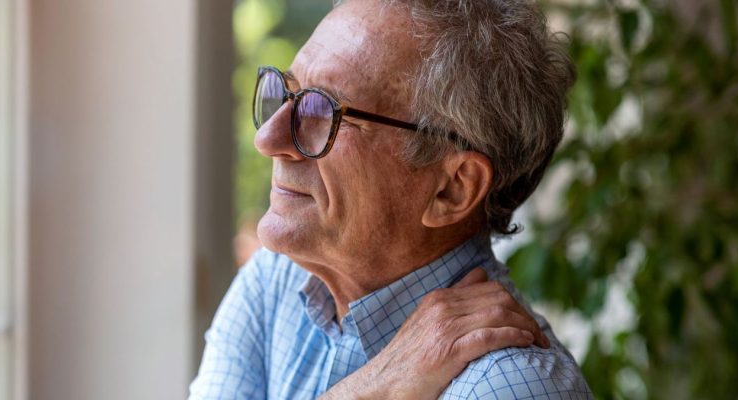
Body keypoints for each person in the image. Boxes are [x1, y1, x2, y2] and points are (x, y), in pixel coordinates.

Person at [190, 0, 592, 398]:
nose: (268, 139)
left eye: (324, 110)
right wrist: (372, 388)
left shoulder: (508, 386)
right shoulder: (280, 279)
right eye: (289, 92)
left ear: (452, 189)